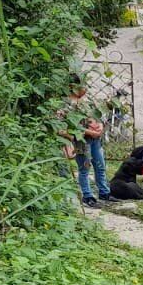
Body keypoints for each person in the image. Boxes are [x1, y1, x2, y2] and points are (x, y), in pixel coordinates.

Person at [61, 78, 111, 207]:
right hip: (82, 141)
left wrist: (99, 125)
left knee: (100, 165)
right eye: (82, 87)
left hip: (95, 139)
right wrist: (88, 132)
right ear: (73, 86)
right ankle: (87, 195)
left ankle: (104, 192)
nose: (85, 89)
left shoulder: (87, 102)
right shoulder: (66, 105)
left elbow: (97, 116)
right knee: (84, 168)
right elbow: (67, 128)